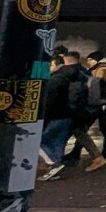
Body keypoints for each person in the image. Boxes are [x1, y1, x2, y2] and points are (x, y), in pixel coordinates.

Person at [39, 51, 86, 180]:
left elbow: (49, 99)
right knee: (58, 142)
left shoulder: (55, 78)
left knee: (39, 141)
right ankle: (57, 165)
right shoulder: (76, 74)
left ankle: (53, 164)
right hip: (68, 114)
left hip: (55, 115)